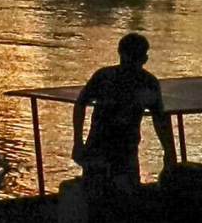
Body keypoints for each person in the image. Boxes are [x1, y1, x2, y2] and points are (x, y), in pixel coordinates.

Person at [72, 33, 176, 218]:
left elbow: (80, 105)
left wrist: (78, 142)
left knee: (108, 204)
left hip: (118, 151)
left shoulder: (108, 77)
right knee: (112, 203)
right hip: (107, 151)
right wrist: (168, 151)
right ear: (145, 58)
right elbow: (160, 120)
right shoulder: (144, 82)